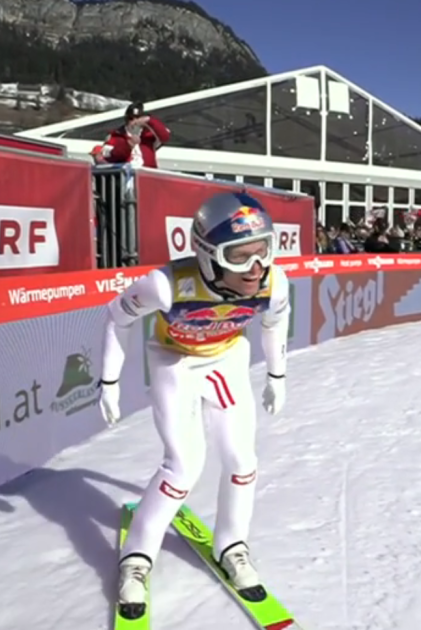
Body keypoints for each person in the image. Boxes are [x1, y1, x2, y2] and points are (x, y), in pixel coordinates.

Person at [97, 191, 290, 620]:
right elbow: (117, 316)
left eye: (263, 250)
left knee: (242, 461)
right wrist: (108, 380)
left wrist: (277, 376)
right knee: (183, 467)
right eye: (240, 255)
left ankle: (232, 544)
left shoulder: (274, 282)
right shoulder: (165, 285)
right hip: (176, 362)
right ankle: (137, 557)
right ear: (206, 255)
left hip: (226, 359)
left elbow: (276, 322)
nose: (256, 267)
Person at [93, 102, 171, 168]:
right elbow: (110, 156)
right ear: (126, 119)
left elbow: (165, 136)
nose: (134, 121)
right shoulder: (115, 136)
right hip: (127, 177)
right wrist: (127, 146)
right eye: (131, 118)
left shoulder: (149, 136)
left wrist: (149, 120)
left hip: (147, 178)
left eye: (138, 118)